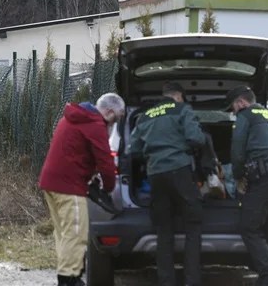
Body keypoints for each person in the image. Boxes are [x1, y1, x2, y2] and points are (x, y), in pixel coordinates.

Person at [39, 92, 126, 286]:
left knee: (63, 233)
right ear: (109, 112)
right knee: (76, 232)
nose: (114, 124)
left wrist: (90, 172)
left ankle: (66, 276)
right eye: (117, 118)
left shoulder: (73, 117)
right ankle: (69, 279)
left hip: (51, 183)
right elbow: (105, 161)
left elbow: (75, 152)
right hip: (69, 187)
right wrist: (109, 187)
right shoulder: (95, 125)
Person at [129, 81, 205, 286]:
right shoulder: (182, 110)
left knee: (163, 230)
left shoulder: (146, 115)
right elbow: (197, 138)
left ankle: (166, 281)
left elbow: (133, 149)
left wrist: (152, 154)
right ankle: (192, 281)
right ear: (179, 96)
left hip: (156, 174)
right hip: (180, 171)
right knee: (193, 225)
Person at [226, 85, 268, 286]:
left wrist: (238, 177)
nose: (234, 112)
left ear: (240, 102)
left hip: (265, 179)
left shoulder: (246, 115)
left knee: (249, 228)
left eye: (233, 108)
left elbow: (237, 151)